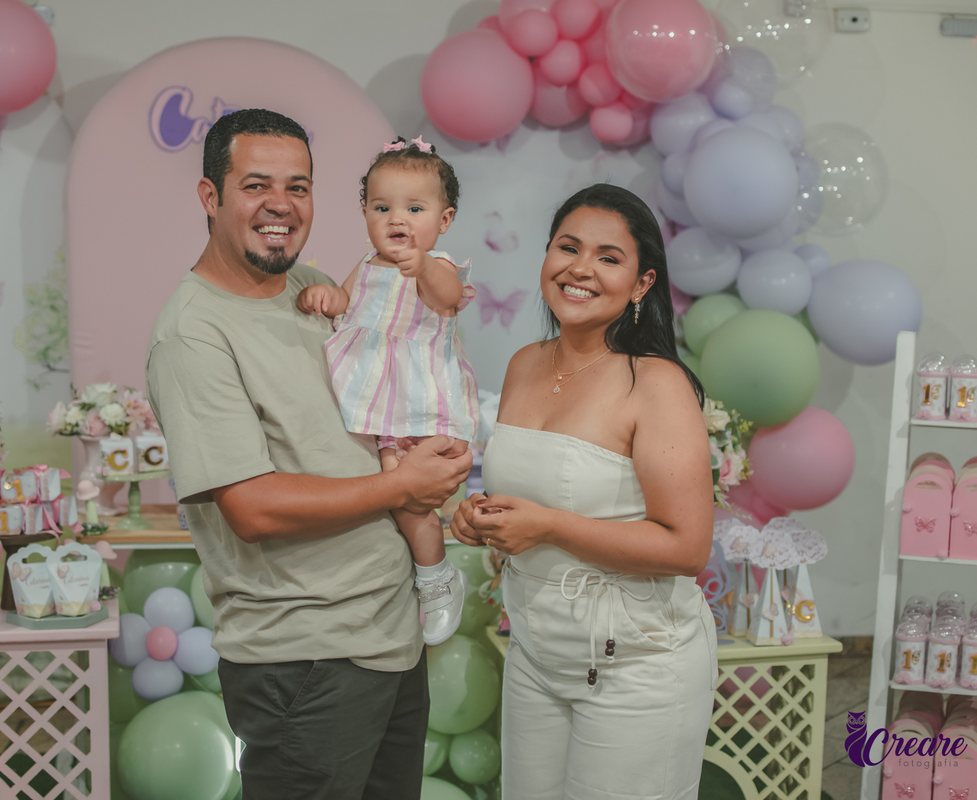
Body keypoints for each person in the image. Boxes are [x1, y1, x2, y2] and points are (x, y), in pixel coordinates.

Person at [145, 108, 471, 800]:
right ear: (211, 197)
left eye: (299, 187)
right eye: (256, 184)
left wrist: (428, 457)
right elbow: (253, 508)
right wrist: (401, 485)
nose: (281, 206)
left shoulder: (311, 289)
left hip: (386, 637)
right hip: (305, 658)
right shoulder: (194, 333)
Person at [450, 184, 718, 799]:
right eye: (568, 248)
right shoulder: (523, 364)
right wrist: (480, 516)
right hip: (536, 654)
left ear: (642, 283)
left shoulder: (656, 383)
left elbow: (687, 547)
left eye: (608, 257)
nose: (581, 269)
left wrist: (546, 527)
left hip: (638, 664)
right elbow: (528, 492)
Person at [297, 135, 479, 646]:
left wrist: (422, 266)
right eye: (383, 207)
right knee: (399, 493)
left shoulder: (435, 266)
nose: (397, 219)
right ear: (365, 213)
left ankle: (437, 579)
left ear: (443, 220)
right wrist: (326, 295)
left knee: (414, 500)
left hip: (425, 403)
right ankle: (431, 574)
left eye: (414, 208)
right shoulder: (370, 264)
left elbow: (447, 299)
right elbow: (345, 302)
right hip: (377, 403)